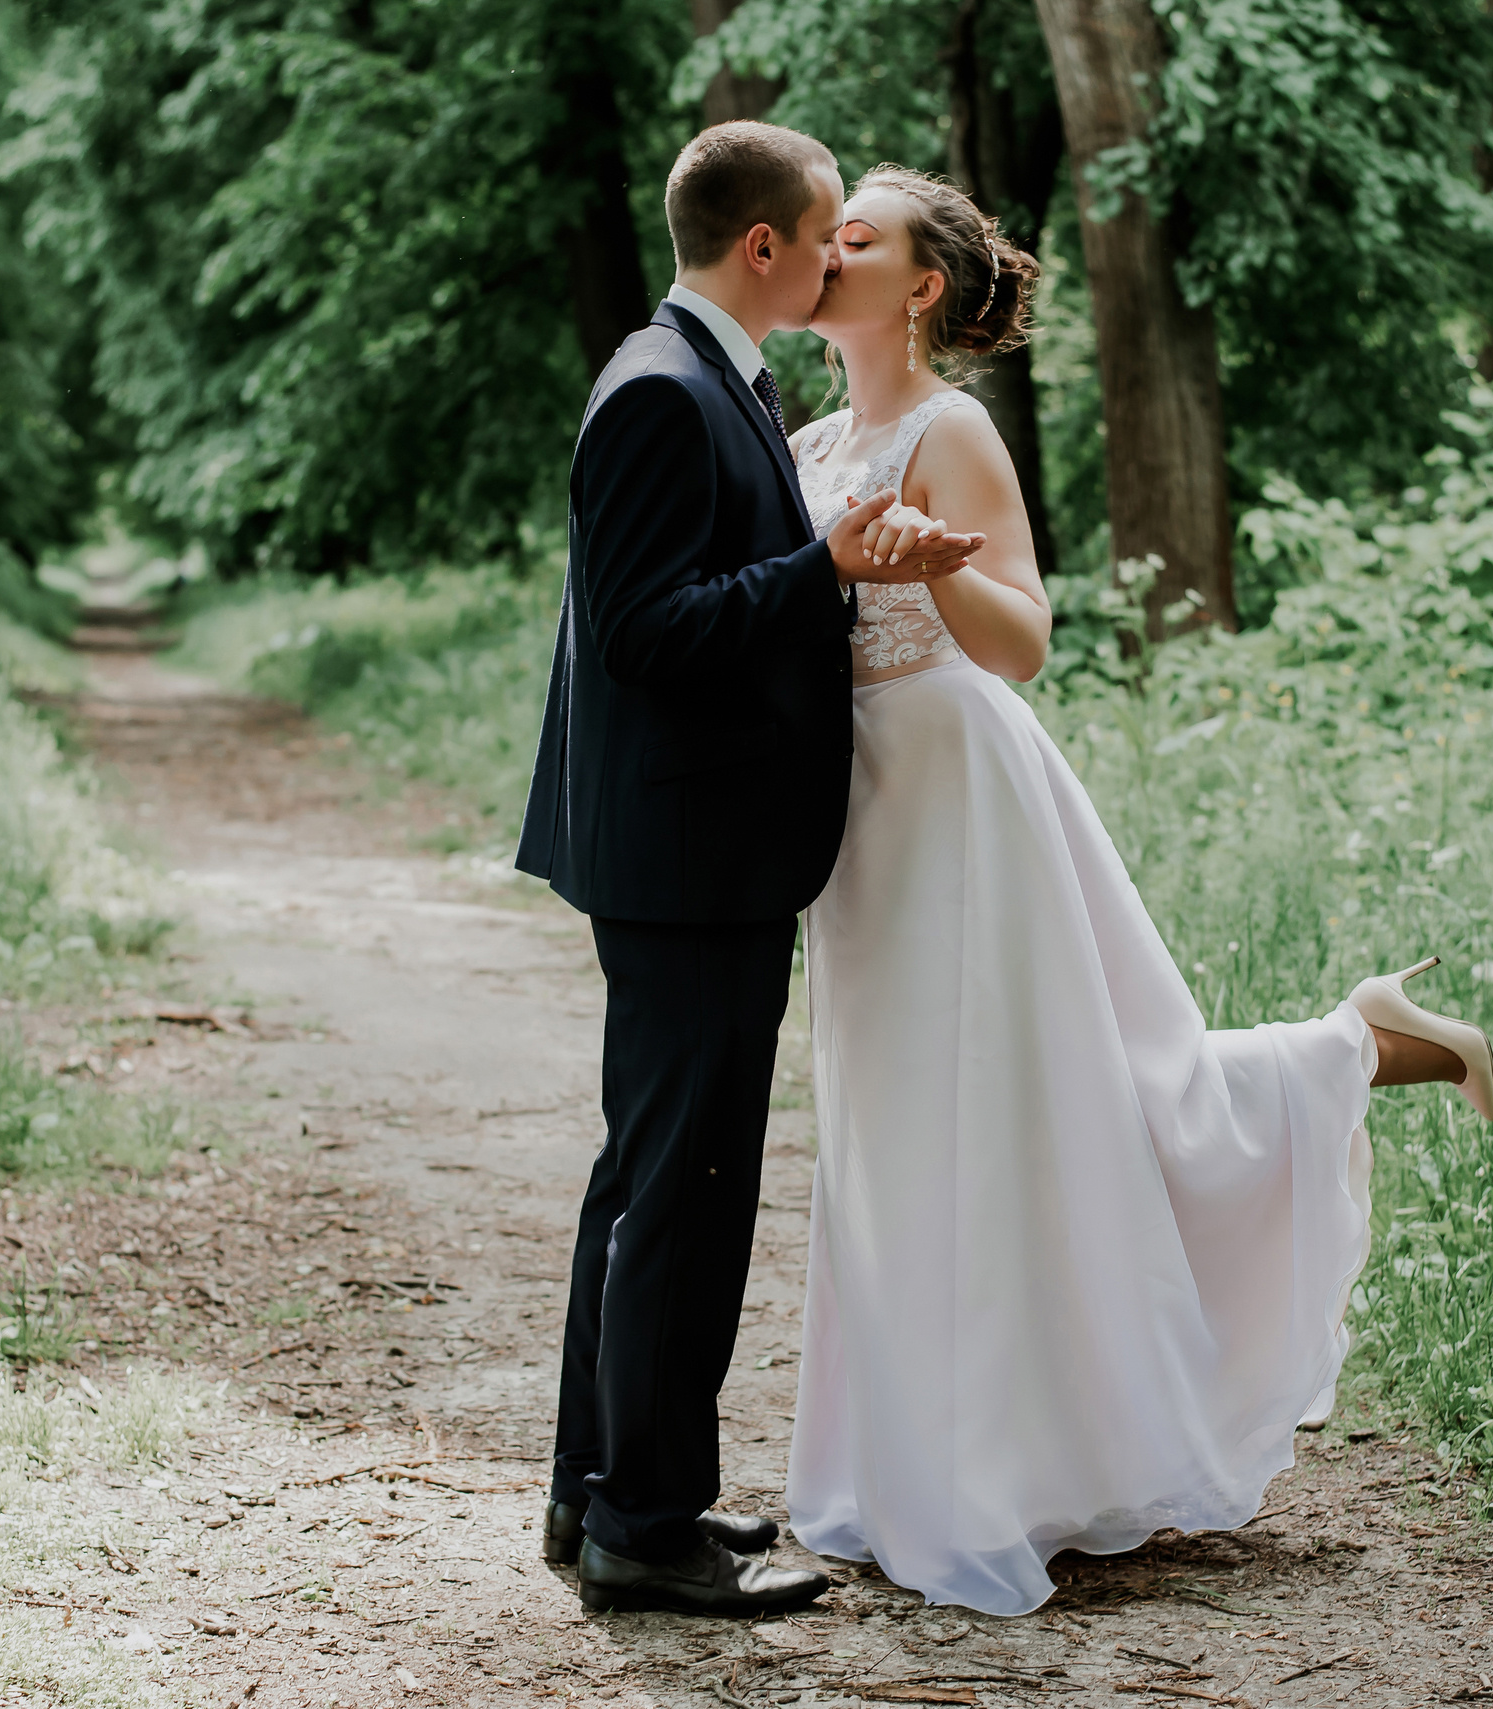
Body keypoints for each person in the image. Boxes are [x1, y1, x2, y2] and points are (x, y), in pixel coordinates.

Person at [779, 164, 1493, 1617]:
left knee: (1034, 1110)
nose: (827, 246)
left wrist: (929, 574)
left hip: (963, 795)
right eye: (825, 228)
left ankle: (987, 1472)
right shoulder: (800, 439)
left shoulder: (949, 427)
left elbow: (1025, 638)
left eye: (857, 235)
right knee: (898, 1126)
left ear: (919, 286)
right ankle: (911, 1459)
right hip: (859, 815)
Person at [513, 124, 988, 1618]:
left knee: (648, 1180)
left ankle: (604, 1493)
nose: (844, 252)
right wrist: (827, 570)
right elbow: (653, 630)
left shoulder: (707, 375)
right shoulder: (662, 390)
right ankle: (644, 1527)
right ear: (764, 246)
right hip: (687, 854)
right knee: (686, 1189)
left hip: (694, 848)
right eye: (830, 230)